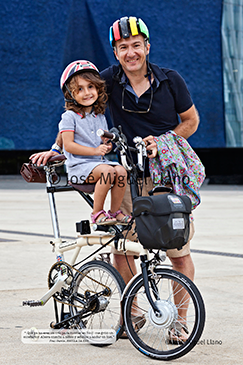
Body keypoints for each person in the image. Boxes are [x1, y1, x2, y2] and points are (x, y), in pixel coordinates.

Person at [31, 16, 200, 341]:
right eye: (123, 47)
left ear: (147, 47)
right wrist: (56, 149)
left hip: (166, 177)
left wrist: (165, 140)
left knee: (179, 252)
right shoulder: (107, 80)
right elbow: (78, 110)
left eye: (136, 45)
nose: (131, 52)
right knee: (122, 249)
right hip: (127, 177)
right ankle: (132, 315)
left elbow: (191, 121)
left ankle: (179, 323)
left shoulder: (171, 80)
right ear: (116, 51)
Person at [58, 59, 131, 225]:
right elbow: (68, 145)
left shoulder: (100, 117)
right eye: (80, 89)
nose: (87, 93)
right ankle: (97, 213)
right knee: (108, 172)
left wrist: (107, 145)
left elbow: (101, 143)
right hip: (79, 167)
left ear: (98, 88)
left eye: (90, 87)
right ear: (71, 94)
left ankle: (114, 212)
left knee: (121, 171)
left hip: (98, 163)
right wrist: (95, 151)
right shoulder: (69, 117)